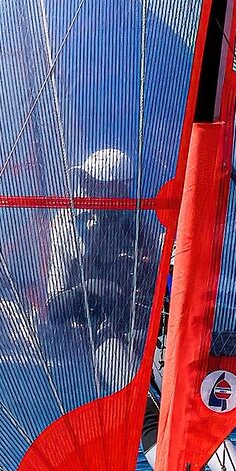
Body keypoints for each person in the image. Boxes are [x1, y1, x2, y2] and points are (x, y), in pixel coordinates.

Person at [46, 148, 162, 393]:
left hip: (141, 329)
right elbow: (54, 306)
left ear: (121, 188)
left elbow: (161, 287)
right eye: (84, 180)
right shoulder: (67, 223)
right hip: (92, 332)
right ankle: (142, 411)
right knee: (118, 361)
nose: (85, 187)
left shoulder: (140, 226)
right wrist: (90, 291)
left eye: (94, 182)